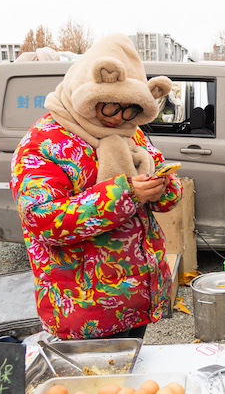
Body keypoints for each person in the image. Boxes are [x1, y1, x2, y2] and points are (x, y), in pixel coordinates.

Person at [10, 34, 180, 340]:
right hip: (82, 309)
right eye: (111, 108)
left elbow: (163, 185)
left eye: (131, 110)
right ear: (87, 96)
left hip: (131, 302)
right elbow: (44, 221)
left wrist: (163, 187)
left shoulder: (131, 133)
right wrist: (125, 195)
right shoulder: (44, 144)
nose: (120, 119)